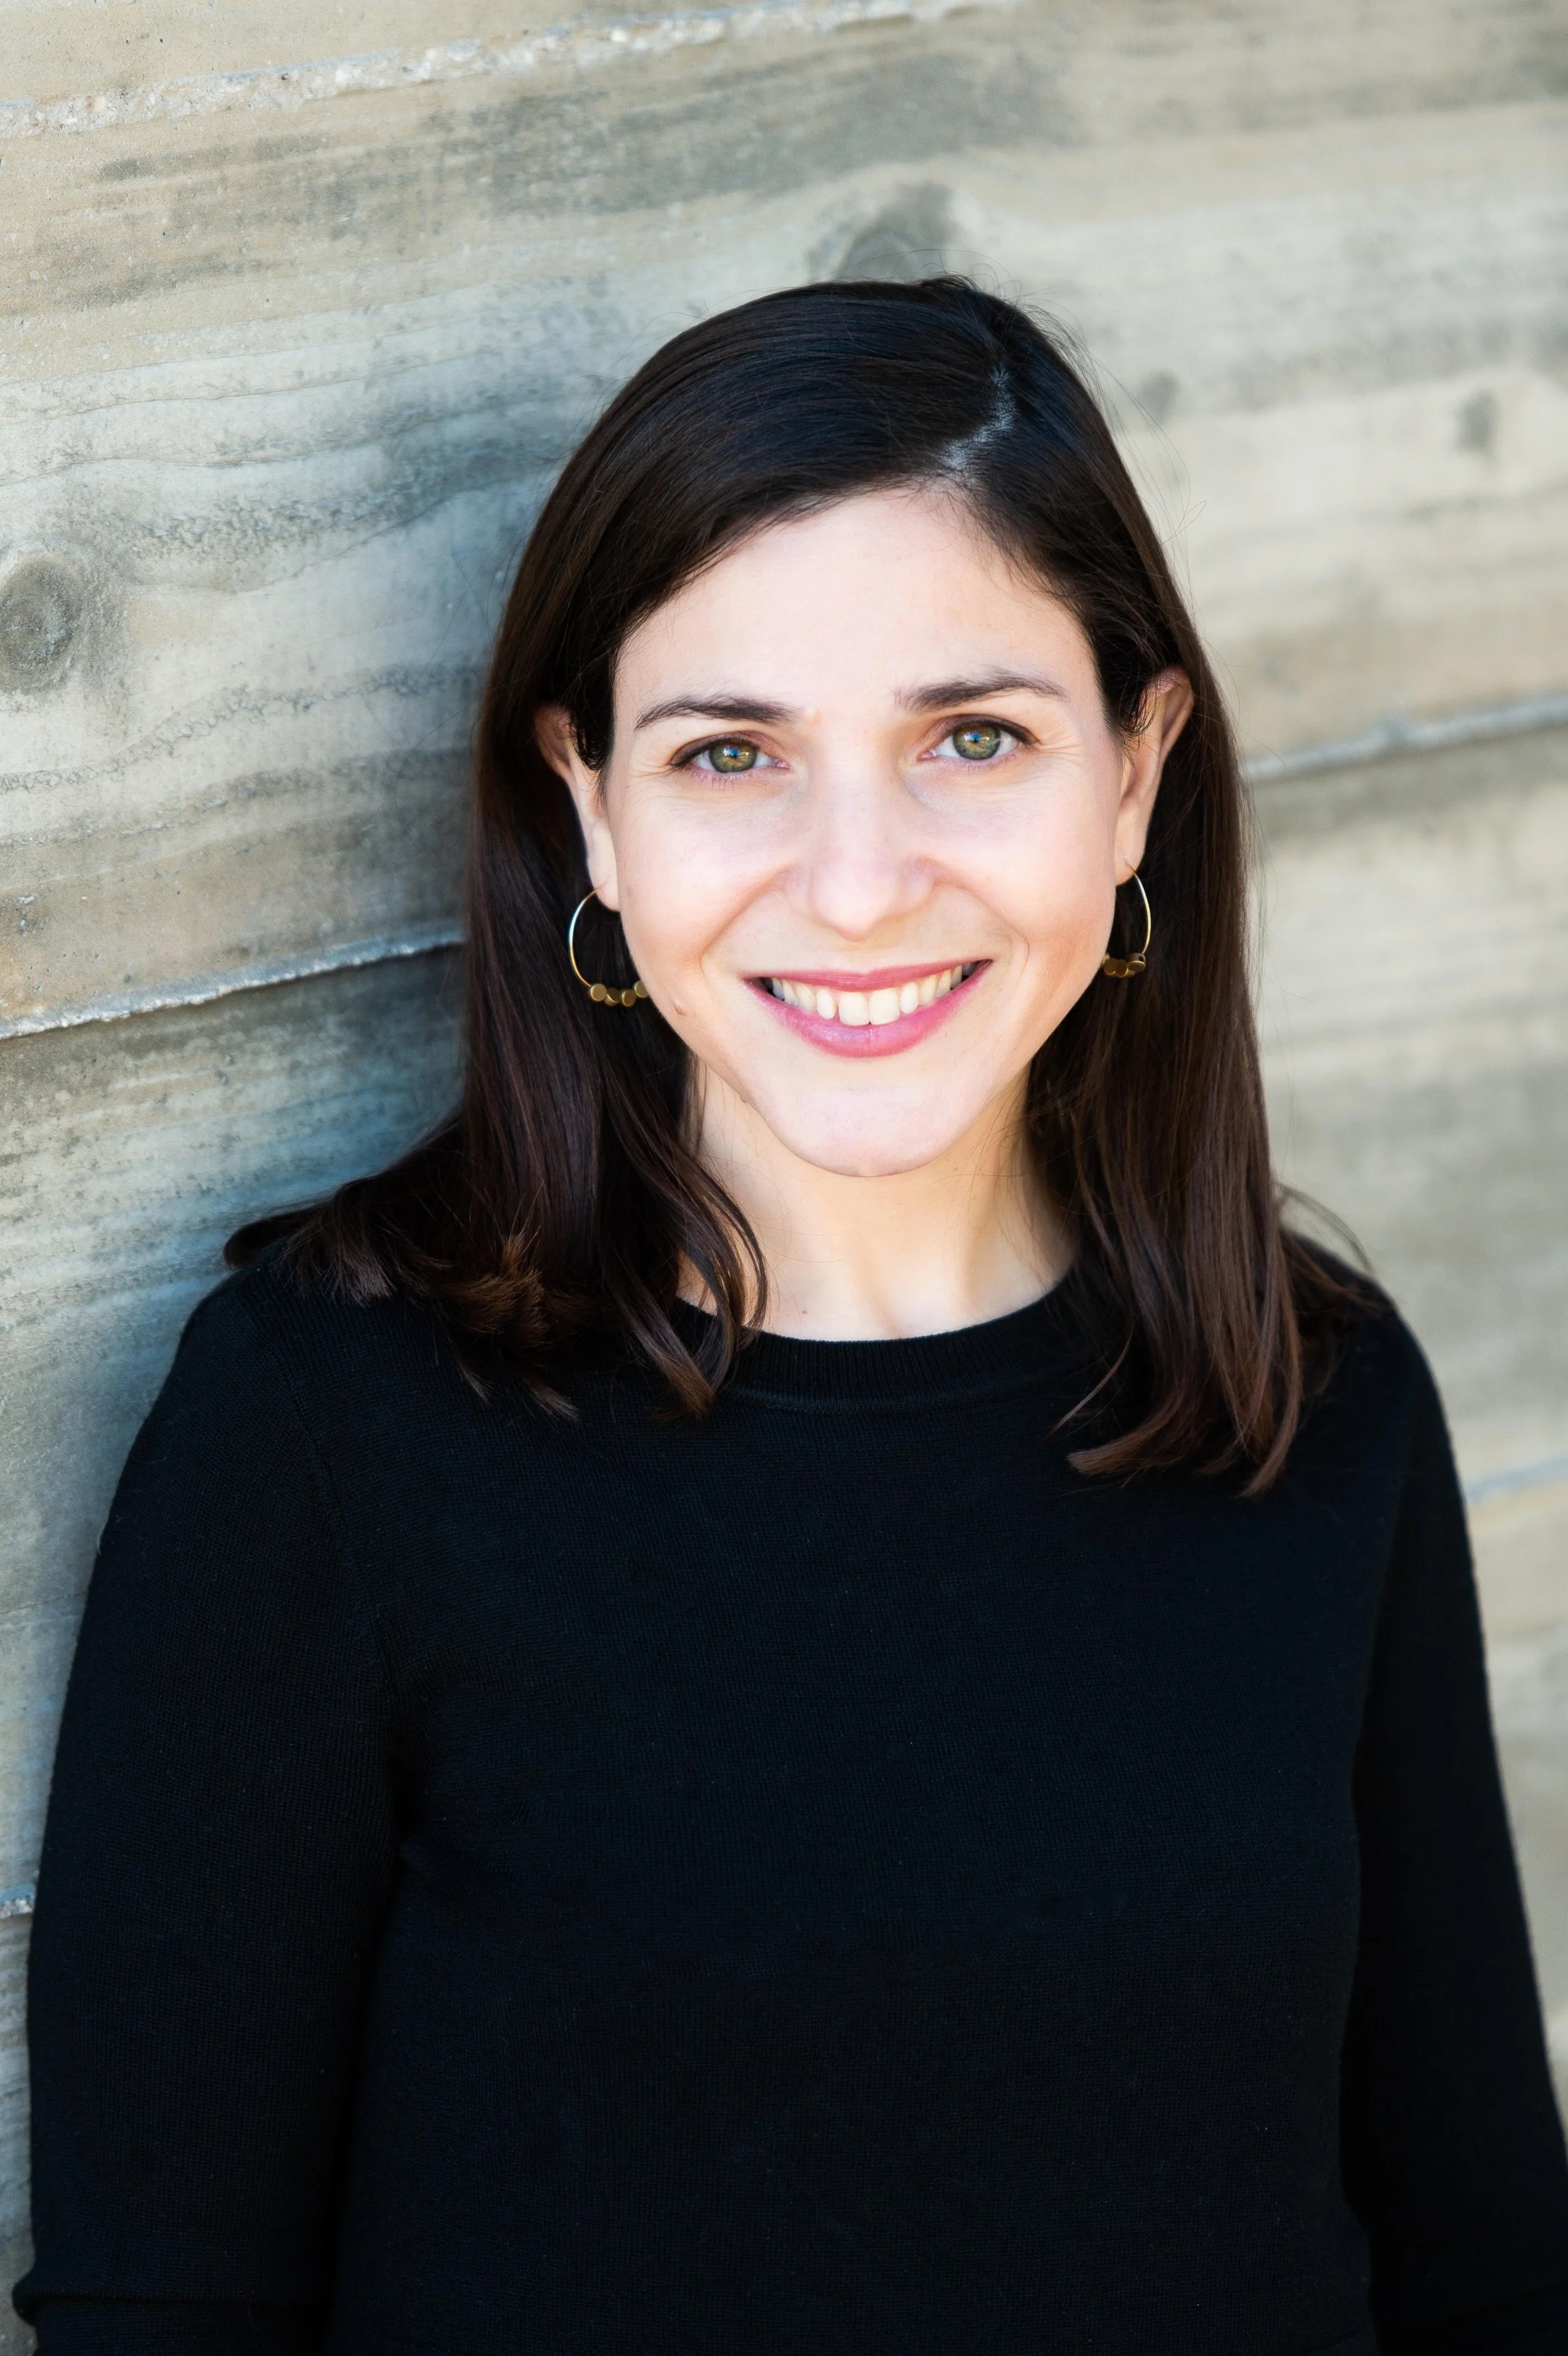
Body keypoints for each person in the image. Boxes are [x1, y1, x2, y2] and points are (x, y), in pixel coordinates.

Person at [16, 278, 1568, 2355]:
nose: (856, 882)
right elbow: (161, 2306)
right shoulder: (332, 1432)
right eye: (730, 750)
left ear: (1135, 776)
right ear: (589, 796)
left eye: (974, 737)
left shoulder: (1310, 1399)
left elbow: (1483, 2262)